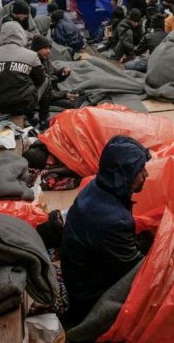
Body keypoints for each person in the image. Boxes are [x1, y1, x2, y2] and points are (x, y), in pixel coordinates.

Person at [60, 135, 151, 326]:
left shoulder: (97, 187)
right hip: (90, 298)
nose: (146, 175)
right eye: (140, 170)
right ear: (124, 174)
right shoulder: (115, 221)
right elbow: (132, 271)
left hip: (80, 278)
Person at [0, 21, 45, 116]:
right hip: (24, 106)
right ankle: (43, 118)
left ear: (1, 35)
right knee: (47, 79)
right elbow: (40, 80)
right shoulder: (32, 55)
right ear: (21, 35)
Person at [31, 36, 82, 127]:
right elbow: (42, 91)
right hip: (45, 98)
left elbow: (55, 74)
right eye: (45, 48)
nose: (49, 51)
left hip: (53, 92)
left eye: (49, 48)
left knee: (80, 93)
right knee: (72, 103)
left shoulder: (45, 60)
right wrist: (64, 94)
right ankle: (44, 120)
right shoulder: (35, 65)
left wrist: (63, 72)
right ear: (37, 48)